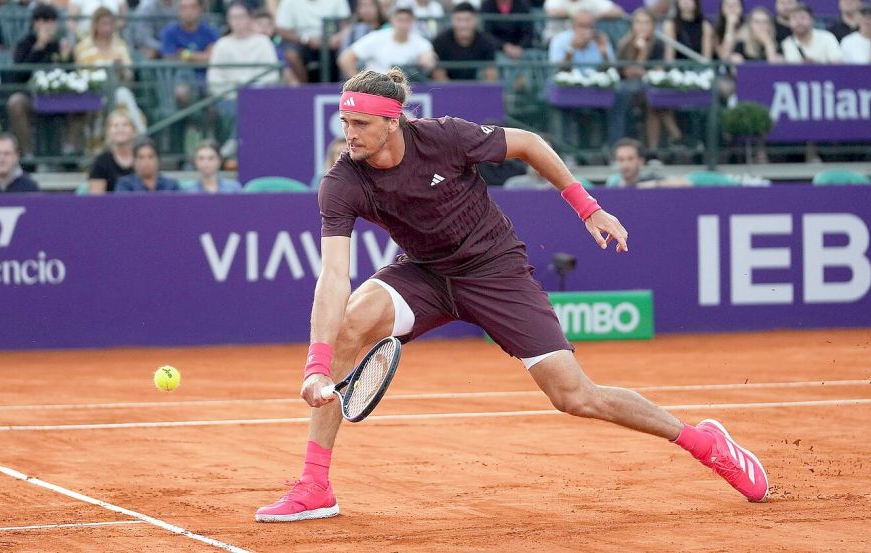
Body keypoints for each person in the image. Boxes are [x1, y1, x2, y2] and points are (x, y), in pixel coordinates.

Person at [253, 68, 770, 523]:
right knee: (350, 324)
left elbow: (528, 144)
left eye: (360, 124)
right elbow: (333, 277)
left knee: (575, 396)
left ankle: (706, 443)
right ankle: (315, 484)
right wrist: (317, 367)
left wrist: (587, 207)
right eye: (345, 124)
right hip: (425, 273)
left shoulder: (446, 137)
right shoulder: (342, 180)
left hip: (495, 270)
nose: (349, 135)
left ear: (394, 121)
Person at [6, 3, 77, 158]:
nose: (51, 26)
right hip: (31, 97)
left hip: (61, 97)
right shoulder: (25, 44)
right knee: (15, 103)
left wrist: (68, 58)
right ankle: (28, 155)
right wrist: (38, 47)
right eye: (46, 21)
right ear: (35, 23)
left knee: (84, 101)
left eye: (53, 21)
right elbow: (18, 76)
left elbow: (72, 75)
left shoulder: (60, 45)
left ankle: (69, 152)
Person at [74, 7, 147, 140]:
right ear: (95, 25)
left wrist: (121, 70)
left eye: (110, 24)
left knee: (122, 95)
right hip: (92, 93)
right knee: (122, 97)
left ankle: (136, 136)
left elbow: (129, 74)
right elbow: (81, 75)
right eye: (104, 24)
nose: (108, 28)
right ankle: (141, 134)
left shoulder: (120, 46)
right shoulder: (83, 47)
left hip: (116, 91)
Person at [612, 8, 666, 145]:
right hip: (626, 90)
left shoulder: (658, 44)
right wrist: (642, 52)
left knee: (655, 101)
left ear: (653, 25)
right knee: (623, 95)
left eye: (647, 22)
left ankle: (653, 151)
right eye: (639, 22)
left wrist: (641, 70)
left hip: (650, 88)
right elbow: (626, 72)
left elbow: (659, 70)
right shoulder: (624, 44)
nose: (642, 26)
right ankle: (619, 145)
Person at [207, 1, 280, 100]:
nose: (238, 21)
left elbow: (271, 75)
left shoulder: (263, 42)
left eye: (241, 16)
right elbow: (214, 77)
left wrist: (251, 92)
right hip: (227, 99)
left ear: (250, 18)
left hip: (260, 98)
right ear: (228, 20)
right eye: (233, 17)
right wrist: (232, 93)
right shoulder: (221, 45)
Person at [337, 8, 437, 78]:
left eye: (407, 21)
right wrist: (360, 84)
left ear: (413, 22)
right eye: (400, 20)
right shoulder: (376, 37)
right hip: (376, 90)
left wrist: (427, 59)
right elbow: (345, 59)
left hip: (405, 92)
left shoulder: (420, 42)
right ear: (392, 21)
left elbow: (429, 57)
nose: (403, 25)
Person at [275, 0, 351, 82]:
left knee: (348, 52)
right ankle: (303, 91)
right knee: (291, 54)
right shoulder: (289, 2)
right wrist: (305, 39)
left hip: (333, 41)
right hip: (301, 41)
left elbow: (347, 24)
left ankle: (346, 88)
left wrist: (338, 37)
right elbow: (282, 30)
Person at [431, 2, 501, 81]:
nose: (463, 25)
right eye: (459, 19)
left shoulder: (487, 42)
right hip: (447, 89)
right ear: (452, 20)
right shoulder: (440, 41)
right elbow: (438, 75)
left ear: (476, 20)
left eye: (467, 20)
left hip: (477, 88)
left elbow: (491, 76)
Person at [87, 109, 137, 194]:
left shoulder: (143, 157)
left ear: (134, 131)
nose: (120, 129)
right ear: (108, 132)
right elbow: (95, 199)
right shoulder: (101, 162)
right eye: (115, 125)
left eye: (125, 125)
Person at [542, 0, 626, 45]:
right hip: (555, 39)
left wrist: (595, 16)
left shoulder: (592, 1)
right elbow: (553, 12)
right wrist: (576, 14)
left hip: (588, 39)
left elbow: (617, 11)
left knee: (601, 40)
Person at [114, 138, 180, 192]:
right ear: (134, 161)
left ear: (158, 160)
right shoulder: (125, 185)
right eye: (141, 157)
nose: (146, 161)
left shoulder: (171, 185)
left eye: (150, 157)